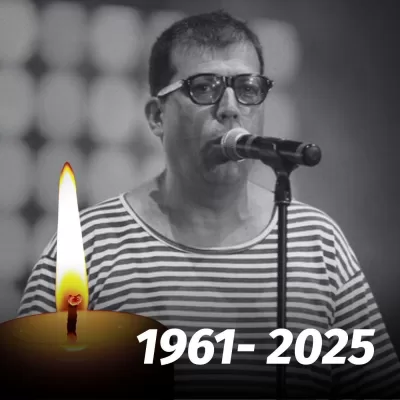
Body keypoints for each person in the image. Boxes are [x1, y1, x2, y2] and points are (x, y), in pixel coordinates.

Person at [18, 10, 400, 399]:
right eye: (204, 87)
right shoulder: (90, 245)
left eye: (248, 88)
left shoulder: (317, 242)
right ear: (157, 117)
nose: (230, 108)